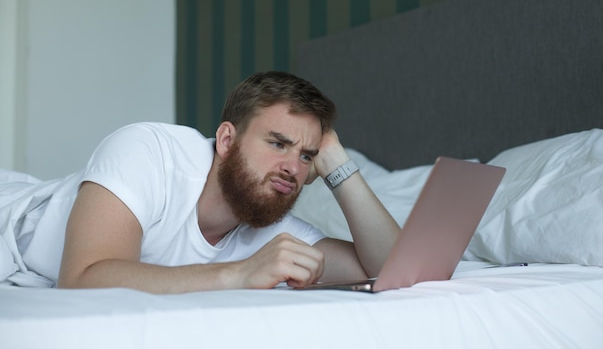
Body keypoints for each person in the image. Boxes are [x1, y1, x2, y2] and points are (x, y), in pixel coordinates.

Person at [0, 71, 400, 293]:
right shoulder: (149, 152)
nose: (293, 167)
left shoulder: (268, 221)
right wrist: (239, 274)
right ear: (227, 140)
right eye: (278, 143)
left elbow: (392, 270)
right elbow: (83, 279)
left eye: (306, 156)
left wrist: (336, 163)